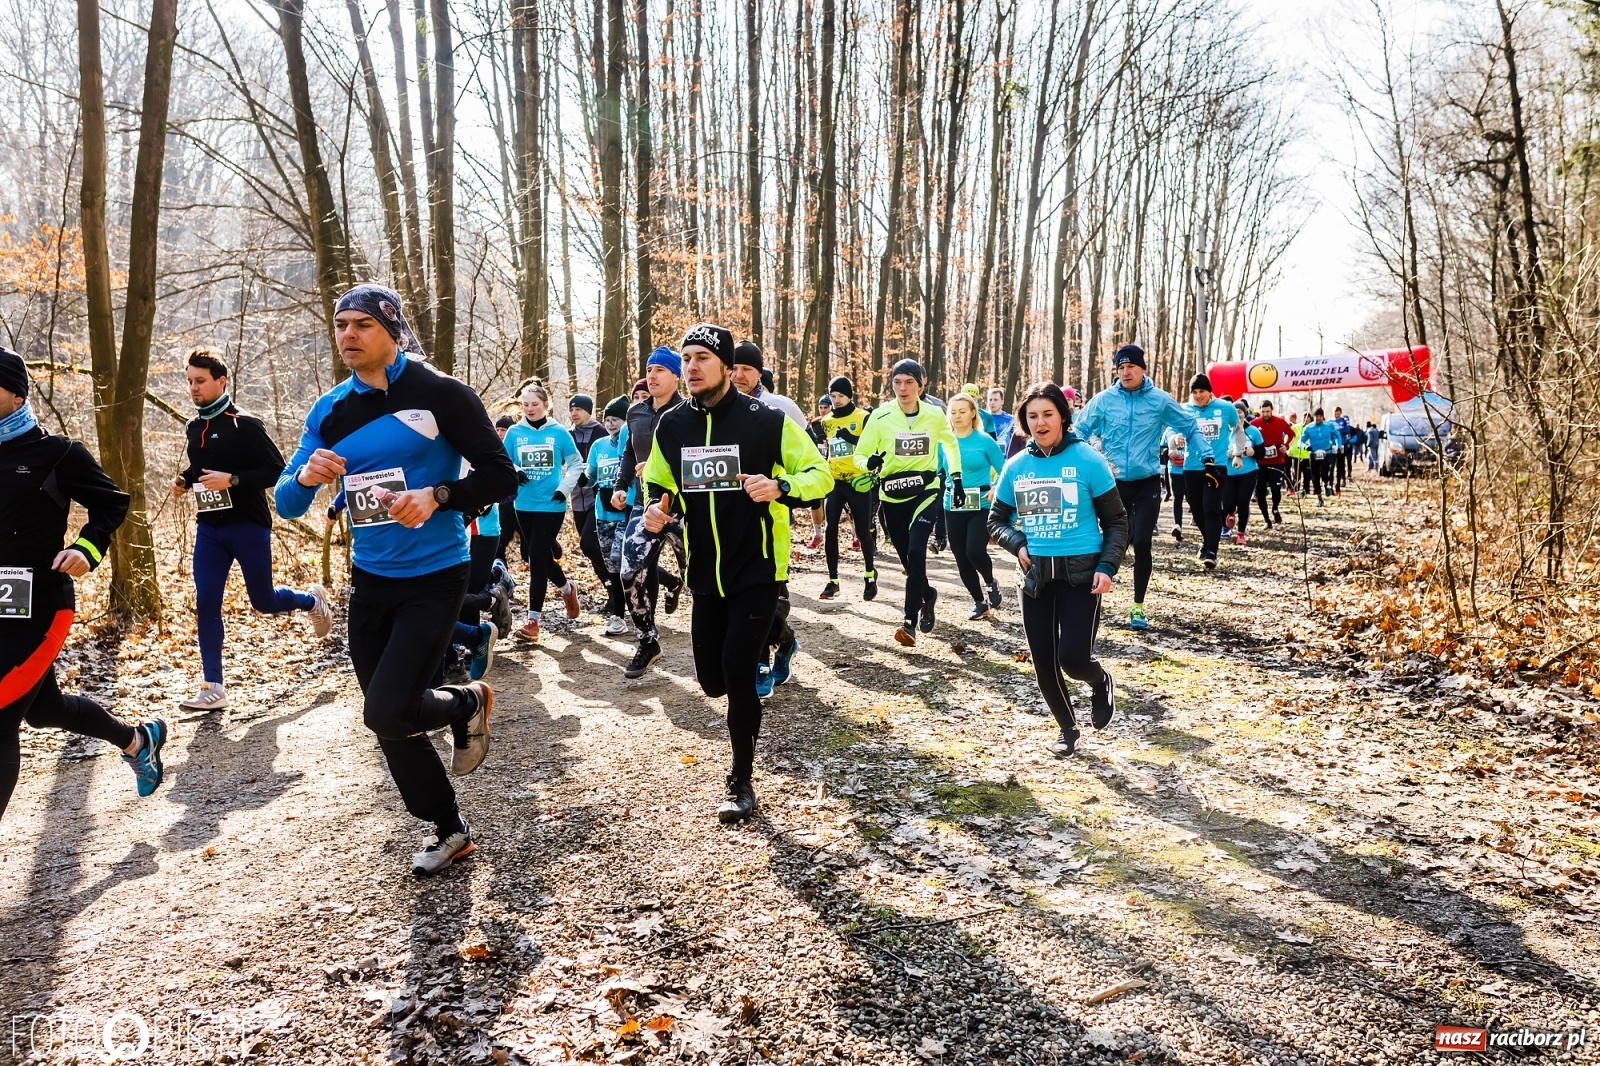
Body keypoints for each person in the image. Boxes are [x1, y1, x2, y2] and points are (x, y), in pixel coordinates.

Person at [274, 284, 518, 876]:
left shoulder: (440, 395)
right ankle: (449, 826)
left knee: (385, 709)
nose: (348, 336)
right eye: (340, 326)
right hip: (372, 579)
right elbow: (284, 502)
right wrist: (307, 475)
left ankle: (465, 702)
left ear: (393, 330)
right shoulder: (330, 410)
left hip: (437, 574)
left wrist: (438, 496)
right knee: (394, 717)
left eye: (361, 325)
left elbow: (500, 474)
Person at [640, 324, 831, 822]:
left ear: (727, 365)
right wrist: (655, 512)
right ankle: (781, 639)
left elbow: (820, 475)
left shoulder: (765, 422)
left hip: (757, 569)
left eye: (704, 357)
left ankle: (741, 781)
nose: (693, 367)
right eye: (687, 359)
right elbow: (661, 488)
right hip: (704, 571)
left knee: (739, 674)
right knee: (711, 680)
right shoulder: (673, 426)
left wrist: (780, 486)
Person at [0, 348, 168, 819]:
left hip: (40, 607)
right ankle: (138, 740)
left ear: (15, 393)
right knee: (44, 708)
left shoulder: (57, 454)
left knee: (2, 713)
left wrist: (86, 549)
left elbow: (113, 502)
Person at [169, 347, 332, 710]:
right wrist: (184, 480)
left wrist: (234, 479)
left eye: (200, 381)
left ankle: (311, 601)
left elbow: (276, 470)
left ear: (221, 381)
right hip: (210, 527)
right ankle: (213, 686)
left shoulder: (245, 423)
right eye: (190, 382)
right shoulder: (194, 427)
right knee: (206, 601)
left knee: (263, 601)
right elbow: (202, 469)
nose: (193, 388)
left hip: (247, 525)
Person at [988, 382, 1128, 757]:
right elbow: (996, 520)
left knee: (1073, 658)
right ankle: (1067, 729)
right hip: (1035, 578)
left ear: (1063, 417)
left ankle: (1099, 682)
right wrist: (1016, 543)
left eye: (1048, 414)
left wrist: (1108, 566)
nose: (1040, 422)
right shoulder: (1016, 466)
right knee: (1044, 662)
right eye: (1032, 416)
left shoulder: (1088, 460)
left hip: (1083, 576)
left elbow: (1116, 521)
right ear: (1024, 422)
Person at [1073, 343, 1208, 628]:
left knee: (1143, 542)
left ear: (1142, 368)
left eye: (1130, 366)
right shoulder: (1105, 399)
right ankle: (1090, 602)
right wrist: (1085, 459)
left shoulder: (1159, 400)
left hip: (1147, 483)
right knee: (1109, 543)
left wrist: (1207, 457)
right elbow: (1079, 430)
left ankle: (1137, 607)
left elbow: (1190, 426)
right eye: (1120, 367)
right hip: (1113, 484)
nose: (1125, 372)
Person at [853, 358, 964, 647]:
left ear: (921, 384)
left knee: (917, 552)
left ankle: (908, 622)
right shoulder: (879, 416)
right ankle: (928, 595)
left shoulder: (934, 414)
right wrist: (869, 463)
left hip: (926, 490)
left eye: (909, 382)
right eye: (897, 382)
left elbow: (950, 444)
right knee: (909, 561)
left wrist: (957, 477)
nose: (902, 388)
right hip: (892, 496)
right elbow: (860, 455)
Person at [612, 348, 688, 678]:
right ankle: (647, 639)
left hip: (687, 507)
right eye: (649, 369)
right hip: (646, 505)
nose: (652, 375)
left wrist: (661, 467)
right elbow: (630, 451)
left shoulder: (691, 413)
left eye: (661, 369)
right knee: (629, 572)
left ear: (677, 375)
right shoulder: (635, 413)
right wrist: (621, 484)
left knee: (699, 576)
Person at [503, 384, 583, 642]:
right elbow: (502, 461)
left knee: (537, 557)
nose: (530, 409)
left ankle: (533, 621)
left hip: (552, 504)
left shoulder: (559, 433)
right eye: (525, 405)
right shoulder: (515, 433)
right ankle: (567, 588)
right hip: (523, 505)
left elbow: (575, 463)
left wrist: (564, 488)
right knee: (539, 556)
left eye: (534, 404)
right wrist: (516, 470)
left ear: (545, 405)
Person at [814, 375, 877, 602]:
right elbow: (825, 445)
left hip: (858, 481)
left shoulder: (863, 417)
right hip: (836, 481)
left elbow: (872, 444)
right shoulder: (827, 420)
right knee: (831, 528)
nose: (837, 400)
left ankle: (869, 574)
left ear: (849, 395)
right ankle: (833, 581)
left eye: (841, 395)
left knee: (862, 530)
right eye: (833, 396)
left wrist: (849, 436)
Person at [944, 393, 1006, 619]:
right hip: (952, 505)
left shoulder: (984, 441)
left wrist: (996, 487)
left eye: (962, 411)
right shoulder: (944, 441)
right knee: (961, 557)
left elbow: (1004, 470)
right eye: (953, 412)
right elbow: (936, 472)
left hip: (979, 503)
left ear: (973, 414)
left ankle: (990, 582)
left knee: (974, 550)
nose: (957, 416)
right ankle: (979, 602)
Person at [1179, 374, 1236, 569]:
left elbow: (1238, 429)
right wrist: (1176, 438)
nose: (1198, 396)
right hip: (1191, 466)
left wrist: (1237, 452)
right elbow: (1174, 430)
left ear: (1210, 391)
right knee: (1197, 509)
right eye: (1194, 392)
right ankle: (1207, 541)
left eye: (1201, 391)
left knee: (1210, 506)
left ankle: (1211, 550)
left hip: (1217, 465)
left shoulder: (1226, 408)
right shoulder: (1185, 410)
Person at [566, 393, 614, 616]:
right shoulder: (567, 436)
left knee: (590, 545)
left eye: (579, 409)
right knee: (594, 550)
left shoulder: (601, 433)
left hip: (601, 501)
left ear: (589, 411)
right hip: (577, 501)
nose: (574, 413)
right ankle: (612, 591)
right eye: (571, 409)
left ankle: (615, 591)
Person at [588, 396, 632, 636]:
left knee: (620, 559)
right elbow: (591, 473)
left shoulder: (629, 445)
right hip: (602, 512)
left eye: (616, 419)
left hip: (625, 513)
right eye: (607, 419)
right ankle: (618, 615)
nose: (611, 423)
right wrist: (586, 479)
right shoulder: (599, 445)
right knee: (612, 566)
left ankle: (625, 611)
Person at [1223, 400, 1262, 545]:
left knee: (1243, 502)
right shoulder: (1225, 431)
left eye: (1240, 411)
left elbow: (1262, 452)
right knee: (1227, 504)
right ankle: (1229, 516)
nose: (1238, 414)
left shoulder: (1253, 431)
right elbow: (1216, 450)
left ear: (1245, 414)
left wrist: (1254, 452)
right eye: (1235, 411)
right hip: (1228, 473)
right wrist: (1226, 453)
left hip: (1248, 472)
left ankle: (1241, 533)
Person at [1251, 399, 1292, 528]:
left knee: (1275, 488)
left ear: (1272, 410)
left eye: (1267, 411)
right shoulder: (1254, 424)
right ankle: (1266, 519)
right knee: (1260, 492)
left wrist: (1286, 446)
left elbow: (1292, 434)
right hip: (1260, 463)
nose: (1265, 414)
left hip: (1277, 461)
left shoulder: (1280, 422)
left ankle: (1275, 508)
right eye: (1263, 412)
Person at [1298, 407, 1340, 507]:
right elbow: (1300, 441)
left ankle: (1326, 484)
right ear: (1314, 417)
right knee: (1315, 477)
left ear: (1323, 416)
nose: (1318, 418)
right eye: (1317, 416)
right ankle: (1320, 498)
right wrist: (1305, 446)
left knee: (1325, 473)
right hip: (1313, 454)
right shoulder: (1308, 428)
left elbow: (1337, 436)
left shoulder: (1329, 426)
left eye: (1320, 416)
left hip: (1327, 453)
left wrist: (1337, 446)